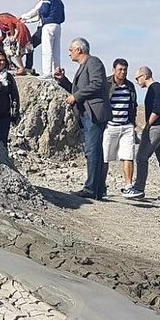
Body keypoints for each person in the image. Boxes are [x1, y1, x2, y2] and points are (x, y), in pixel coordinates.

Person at [54, 38, 111, 200]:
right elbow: (79, 89)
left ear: (79, 50)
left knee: (92, 150)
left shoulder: (93, 62)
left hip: (93, 113)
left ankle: (91, 189)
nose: (69, 52)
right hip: (87, 113)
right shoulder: (84, 66)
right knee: (95, 151)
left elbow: (97, 84)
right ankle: (98, 189)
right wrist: (63, 81)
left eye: (71, 49)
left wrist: (76, 96)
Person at [122, 67, 160, 201]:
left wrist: (147, 126)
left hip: (156, 128)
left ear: (145, 76)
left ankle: (139, 188)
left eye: (137, 78)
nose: (136, 81)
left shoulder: (154, 89)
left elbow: (157, 110)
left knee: (141, 157)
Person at [101, 58, 138, 193]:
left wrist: (133, 123)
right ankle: (101, 185)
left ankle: (128, 186)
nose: (123, 72)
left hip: (127, 126)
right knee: (105, 157)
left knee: (128, 156)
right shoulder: (106, 84)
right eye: (120, 70)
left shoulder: (130, 86)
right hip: (110, 126)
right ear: (114, 70)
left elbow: (133, 104)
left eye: (125, 70)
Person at [36, 0, 65, 80]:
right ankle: (56, 71)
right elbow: (63, 18)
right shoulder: (60, 1)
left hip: (48, 25)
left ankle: (47, 73)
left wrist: (42, 15)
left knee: (47, 49)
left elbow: (44, 11)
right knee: (56, 50)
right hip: (58, 25)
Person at [19, 0, 45, 72]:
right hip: (41, 27)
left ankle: (28, 66)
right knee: (30, 45)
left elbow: (34, 11)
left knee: (30, 45)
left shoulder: (43, 2)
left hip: (43, 28)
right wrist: (26, 21)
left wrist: (23, 16)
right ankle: (28, 65)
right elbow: (37, 17)